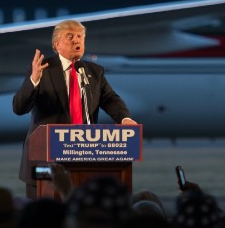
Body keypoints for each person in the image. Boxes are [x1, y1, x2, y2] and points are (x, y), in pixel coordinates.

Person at [13, 19, 137, 198]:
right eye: (70, 36)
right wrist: (34, 80)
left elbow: (110, 99)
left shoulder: (94, 72)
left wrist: (124, 119)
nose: (76, 40)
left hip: (85, 159)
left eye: (80, 36)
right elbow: (19, 107)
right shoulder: (42, 70)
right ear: (57, 44)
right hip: (46, 161)